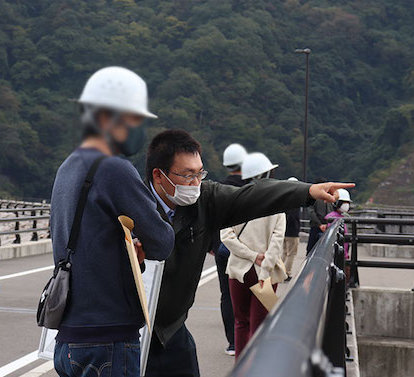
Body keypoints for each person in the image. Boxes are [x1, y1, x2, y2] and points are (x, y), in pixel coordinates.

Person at [144, 129, 354, 377]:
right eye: (188, 176)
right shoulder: (131, 205)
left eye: (200, 173)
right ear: (159, 175)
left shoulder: (204, 199)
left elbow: (252, 196)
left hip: (173, 329)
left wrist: (306, 193)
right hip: (132, 331)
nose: (195, 184)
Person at [50, 67, 175, 377]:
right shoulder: (114, 168)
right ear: (108, 118)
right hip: (108, 338)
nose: (141, 130)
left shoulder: (68, 167)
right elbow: (162, 241)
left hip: (69, 336)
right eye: (135, 121)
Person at [221, 152, 287, 358]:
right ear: (267, 173)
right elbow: (277, 241)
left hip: (238, 270)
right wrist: (264, 266)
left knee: (241, 323)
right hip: (265, 273)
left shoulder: (235, 202)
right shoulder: (277, 205)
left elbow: (226, 236)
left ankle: (240, 366)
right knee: (260, 326)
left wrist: (250, 255)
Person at [214, 143, 249, 356]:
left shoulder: (218, 187)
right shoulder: (250, 188)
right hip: (245, 248)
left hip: (222, 248)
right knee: (245, 292)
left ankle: (232, 343)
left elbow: (212, 219)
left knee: (226, 295)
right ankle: (246, 339)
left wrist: (212, 246)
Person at [323, 188, 352, 278]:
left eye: (347, 203)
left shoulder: (341, 217)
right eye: (344, 202)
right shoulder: (332, 218)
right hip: (339, 255)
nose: (346, 205)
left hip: (343, 253)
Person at [306, 177, 335, 254]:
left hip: (316, 226)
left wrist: (319, 224)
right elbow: (332, 211)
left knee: (311, 250)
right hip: (328, 226)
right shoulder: (330, 197)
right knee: (326, 250)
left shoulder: (313, 198)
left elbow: (311, 212)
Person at [282, 177, 301, 282]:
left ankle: (276, 271)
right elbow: (293, 216)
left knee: (284, 252)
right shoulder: (295, 200)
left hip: (284, 230)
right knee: (291, 254)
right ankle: (286, 273)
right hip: (292, 231)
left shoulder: (284, 198)